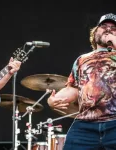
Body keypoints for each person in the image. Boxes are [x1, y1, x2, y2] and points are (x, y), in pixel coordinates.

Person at [47, 13, 116, 150]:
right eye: (103, 26)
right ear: (95, 33)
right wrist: (54, 100)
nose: (108, 29)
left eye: (113, 28)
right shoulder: (82, 60)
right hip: (85, 125)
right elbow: (74, 87)